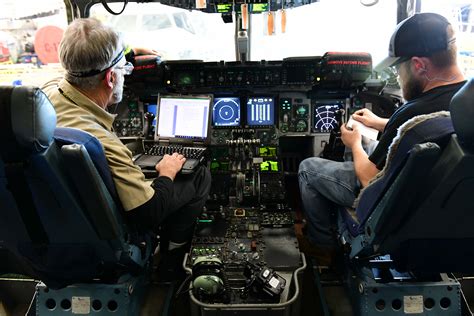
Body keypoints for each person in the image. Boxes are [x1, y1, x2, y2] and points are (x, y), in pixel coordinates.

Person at [42, 18, 211, 277]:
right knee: (198, 175)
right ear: (111, 77)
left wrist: (127, 54)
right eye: (125, 69)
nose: (126, 73)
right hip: (112, 237)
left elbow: (83, 61)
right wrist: (166, 172)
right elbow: (149, 213)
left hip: (54, 229)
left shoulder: (46, 95)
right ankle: (171, 258)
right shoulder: (101, 141)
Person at [298, 12, 466, 259]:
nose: (398, 76)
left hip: (389, 199)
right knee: (366, 142)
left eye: (399, 69)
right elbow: (432, 125)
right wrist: (380, 124)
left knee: (308, 168)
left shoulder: (414, 111)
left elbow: (368, 178)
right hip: (439, 200)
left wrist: (354, 144)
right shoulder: (465, 103)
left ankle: (322, 245)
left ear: (419, 65)